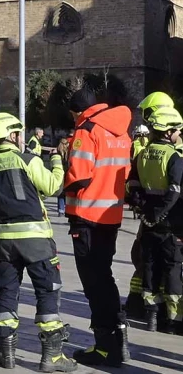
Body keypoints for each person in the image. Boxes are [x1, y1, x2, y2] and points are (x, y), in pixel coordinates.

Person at [0, 112, 75, 372]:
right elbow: (54, 186)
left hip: (4, 242)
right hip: (36, 240)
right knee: (47, 290)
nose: (21, 138)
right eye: (18, 134)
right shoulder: (28, 159)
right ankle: (51, 358)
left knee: (7, 292)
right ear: (11, 135)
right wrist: (56, 160)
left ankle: (7, 354)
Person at [64, 87, 131, 367]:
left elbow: (79, 176)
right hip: (110, 215)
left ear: (77, 112)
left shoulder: (86, 131)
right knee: (106, 278)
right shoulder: (121, 130)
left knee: (93, 282)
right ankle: (119, 340)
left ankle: (106, 347)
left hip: (86, 216)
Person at [127, 106, 183, 333]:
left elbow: (132, 186)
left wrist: (146, 212)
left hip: (149, 224)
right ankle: (173, 320)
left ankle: (151, 315)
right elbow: (175, 191)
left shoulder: (142, 154)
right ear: (168, 132)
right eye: (178, 130)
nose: (180, 133)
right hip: (172, 225)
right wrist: (160, 212)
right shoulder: (175, 157)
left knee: (150, 266)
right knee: (172, 269)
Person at [55, 137, 70, 217]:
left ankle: (61, 210)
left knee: (60, 193)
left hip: (59, 174)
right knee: (66, 192)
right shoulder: (69, 153)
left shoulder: (56, 152)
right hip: (67, 174)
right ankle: (65, 208)